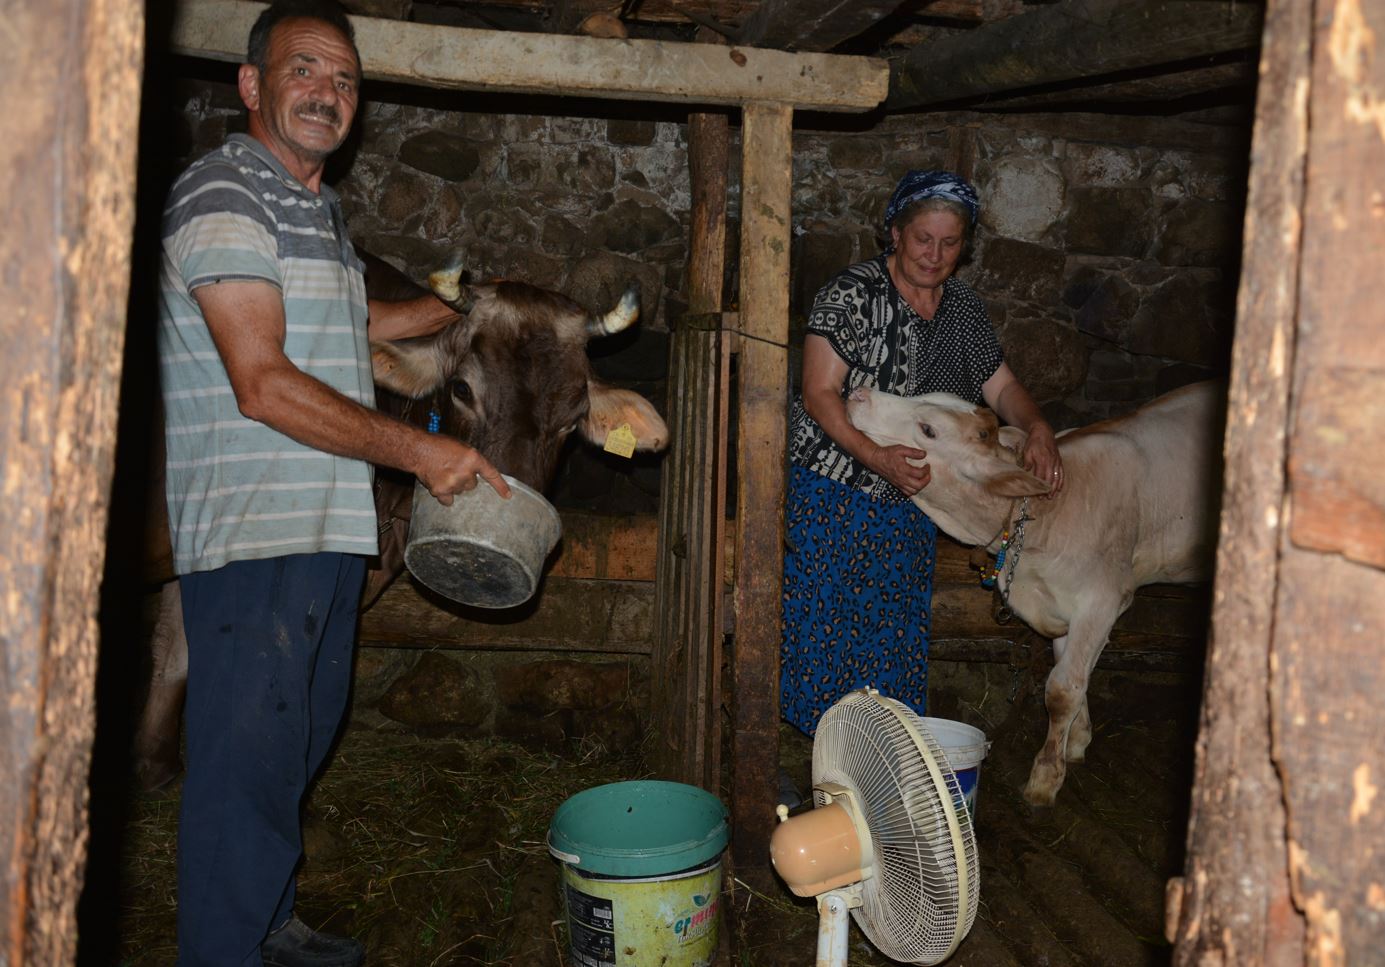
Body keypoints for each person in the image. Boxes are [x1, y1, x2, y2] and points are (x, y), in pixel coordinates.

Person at [156, 2, 509, 964]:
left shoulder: (310, 206)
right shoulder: (225, 194)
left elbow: (362, 318)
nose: (328, 92)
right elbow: (263, 383)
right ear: (252, 84)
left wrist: (459, 312)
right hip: (254, 536)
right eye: (305, 70)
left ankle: (269, 927)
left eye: (346, 80)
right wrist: (424, 453)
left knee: (290, 754)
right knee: (242, 780)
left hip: (323, 532)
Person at [780, 170, 1062, 736]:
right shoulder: (851, 294)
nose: (934, 255)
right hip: (835, 487)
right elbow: (817, 392)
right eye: (922, 239)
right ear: (895, 233)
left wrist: (1035, 427)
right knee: (822, 620)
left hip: (915, 500)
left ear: (965, 246)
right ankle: (811, 751)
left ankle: (877, 753)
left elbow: (1000, 387)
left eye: (950, 242)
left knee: (892, 629)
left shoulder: (961, 310)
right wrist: (873, 456)